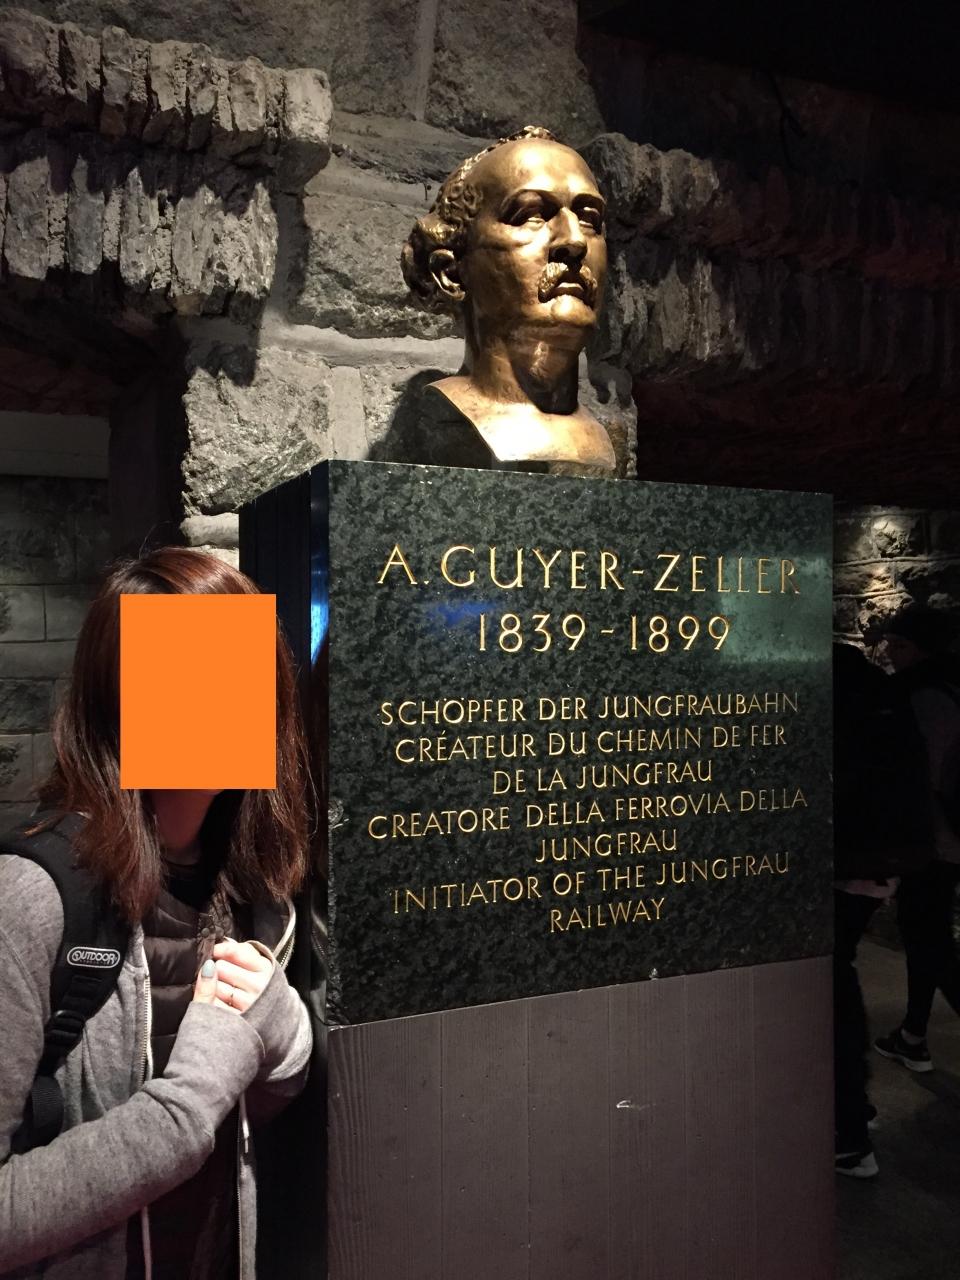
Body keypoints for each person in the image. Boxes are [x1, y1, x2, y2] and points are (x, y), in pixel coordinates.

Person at [0, 547, 314, 1278]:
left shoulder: (255, 892)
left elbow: (246, 1106)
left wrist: (287, 1039)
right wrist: (181, 1110)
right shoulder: (32, 899)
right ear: (114, 701)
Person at [401, 125, 616, 473]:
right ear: (452, 272)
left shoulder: (603, 438)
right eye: (531, 215)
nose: (575, 241)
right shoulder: (437, 420)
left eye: (589, 219)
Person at [832, 642, 933, 1177]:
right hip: (886, 857)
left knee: (828, 987)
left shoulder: (819, 684)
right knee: (836, 977)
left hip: (843, 860)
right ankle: (852, 1112)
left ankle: (848, 1128)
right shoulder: (876, 684)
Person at [874, 605, 960, 1073]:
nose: (890, 651)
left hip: (935, 841)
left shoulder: (924, 698)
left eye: (899, 644)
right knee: (929, 936)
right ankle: (913, 1034)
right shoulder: (948, 687)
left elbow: (922, 777)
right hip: (945, 838)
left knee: (930, 941)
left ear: (919, 648)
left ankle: (913, 1034)